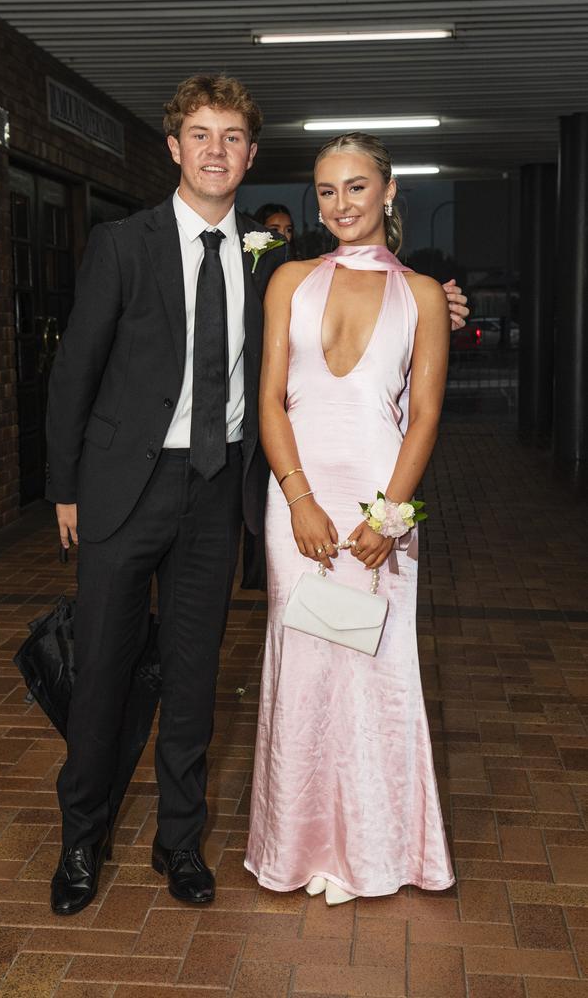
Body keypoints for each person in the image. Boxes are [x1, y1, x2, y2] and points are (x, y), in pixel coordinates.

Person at [45, 74, 467, 916]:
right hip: (123, 489)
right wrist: (65, 490)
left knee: (197, 678)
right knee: (103, 671)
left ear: (249, 156)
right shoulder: (122, 244)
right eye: (199, 135)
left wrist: (441, 304)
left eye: (231, 137)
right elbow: (73, 374)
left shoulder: (272, 259)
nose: (214, 151)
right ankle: (81, 843)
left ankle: (179, 844)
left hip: (215, 492)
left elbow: (348, 305)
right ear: (173, 148)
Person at [245, 132, 455, 905]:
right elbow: (270, 399)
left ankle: (374, 848)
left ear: (389, 191)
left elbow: (426, 416)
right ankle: (297, 845)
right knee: (301, 666)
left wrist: (391, 518)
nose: (341, 205)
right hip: (296, 498)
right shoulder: (289, 280)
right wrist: (298, 498)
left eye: (357, 187)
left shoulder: (424, 294)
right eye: (327, 191)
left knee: (376, 671)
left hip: (379, 502)